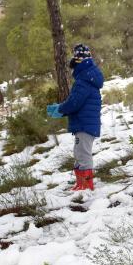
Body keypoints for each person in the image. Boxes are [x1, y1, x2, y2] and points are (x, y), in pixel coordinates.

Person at [47, 44, 104, 191]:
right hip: (85, 123)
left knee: (83, 154)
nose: (72, 70)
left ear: (79, 63)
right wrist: (62, 108)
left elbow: (74, 103)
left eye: (74, 65)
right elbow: (76, 102)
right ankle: (81, 184)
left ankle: (86, 186)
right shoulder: (87, 79)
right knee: (79, 153)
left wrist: (60, 109)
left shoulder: (83, 81)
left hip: (85, 124)